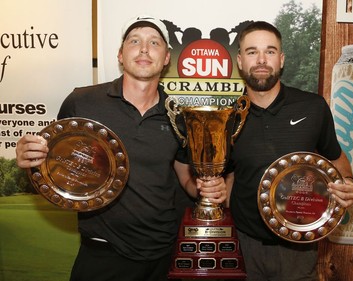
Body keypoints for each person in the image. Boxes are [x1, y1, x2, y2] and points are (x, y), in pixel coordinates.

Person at [15, 15, 227, 281]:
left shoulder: (180, 115)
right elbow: (54, 162)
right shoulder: (82, 101)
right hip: (102, 251)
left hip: (163, 252)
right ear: (120, 54)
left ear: (165, 58)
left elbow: (184, 175)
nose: (144, 49)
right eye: (134, 41)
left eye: (154, 42)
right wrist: (31, 155)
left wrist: (204, 187)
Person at [225, 21, 353, 281]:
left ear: (282, 59)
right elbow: (228, 178)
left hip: (299, 248)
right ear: (240, 61)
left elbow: (336, 160)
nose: (262, 59)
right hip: (245, 246)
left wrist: (348, 183)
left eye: (270, 51)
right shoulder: (226, 118)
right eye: (252, 52)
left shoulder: (313, 107)